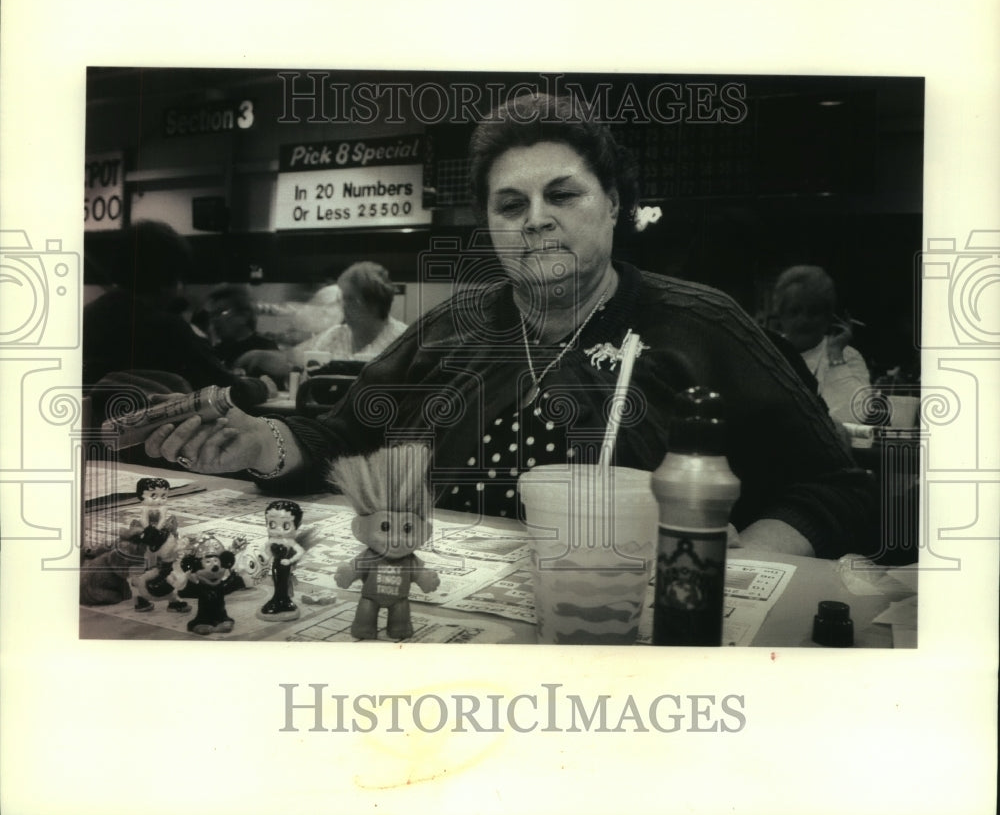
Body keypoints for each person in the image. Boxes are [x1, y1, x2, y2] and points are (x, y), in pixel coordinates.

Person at [145, 94, 878, 560]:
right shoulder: (454, 329)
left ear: (614, 205)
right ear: (491, 224)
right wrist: (262, 441)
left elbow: (837, 486)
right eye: (511, 204)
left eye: (564, 194)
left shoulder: (702, 326)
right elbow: (342, 439)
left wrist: (751, 560)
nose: (536, 219)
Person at [83, 220, 237, 392]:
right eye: (179, 279)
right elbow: (228, 387)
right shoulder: (169, 329)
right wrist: (257, 385)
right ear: (167, 281)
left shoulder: (85, 317)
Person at [235, 261, 407, 377]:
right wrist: (257, 356)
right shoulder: (335, 335)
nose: (343, 305)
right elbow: (292, 361)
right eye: (342, 298)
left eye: (349, 299)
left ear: (373, 303)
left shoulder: (404, 340)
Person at [769, 265, 872, 425]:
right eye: (794, 311)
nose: (803, 320)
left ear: (828, 317)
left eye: (813, 312)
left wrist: (835, 356)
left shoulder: (848, 356)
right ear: (781, 315)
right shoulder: (767, 352)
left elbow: (855, 417)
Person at [202, 283, 279, 368]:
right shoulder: (216, 352)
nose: (215, 320)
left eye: (222, 312)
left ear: (243, 315)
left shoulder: (265, 347)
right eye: (213, 315)